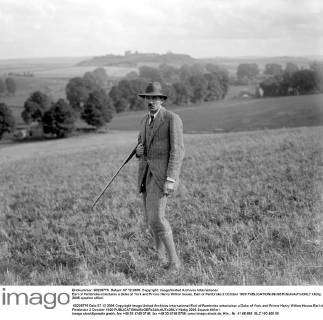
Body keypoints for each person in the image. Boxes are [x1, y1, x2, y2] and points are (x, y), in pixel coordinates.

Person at [136, 82, 185, 272]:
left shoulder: (172, 119)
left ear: (162, 100)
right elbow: (141, 147)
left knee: (157, 217)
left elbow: (178, 151)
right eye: (148, 97)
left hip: (162, 177)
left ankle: (174, 262)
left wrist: (171, 179)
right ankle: (160, 259)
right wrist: (139, 151)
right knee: (151, 219)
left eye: (155, 98)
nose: (151, 101)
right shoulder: (143, 121)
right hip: (146, 176)